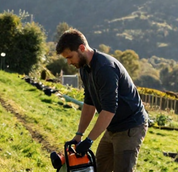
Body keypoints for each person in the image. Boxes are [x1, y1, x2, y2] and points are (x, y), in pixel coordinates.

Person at [56, 28, 148, 172]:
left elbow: (109, 109)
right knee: (99, 168)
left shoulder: (105, 68)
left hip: (130, 127)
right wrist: (79, 135)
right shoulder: (84, 68)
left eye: (70, 57)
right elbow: (89, 102)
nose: (68, 62)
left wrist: (89, 140)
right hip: (112, 127)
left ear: (82, 48)